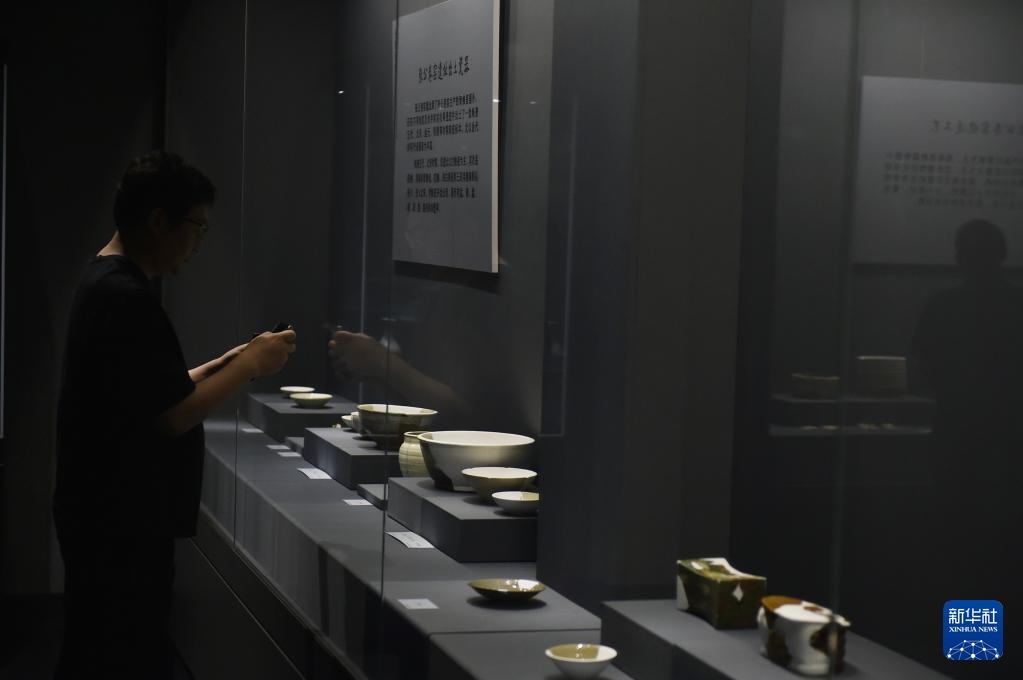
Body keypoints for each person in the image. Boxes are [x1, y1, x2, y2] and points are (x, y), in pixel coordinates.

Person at [52, 151, 296, 679]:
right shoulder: (124, 296)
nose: (200, 243)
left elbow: (142, 390)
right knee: (117, 656)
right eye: (197, 226)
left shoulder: (106, 281)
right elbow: (168, 417)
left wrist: (224, 363)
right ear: (160, 220)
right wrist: (250, 366)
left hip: (100, 513)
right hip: (119, 521)